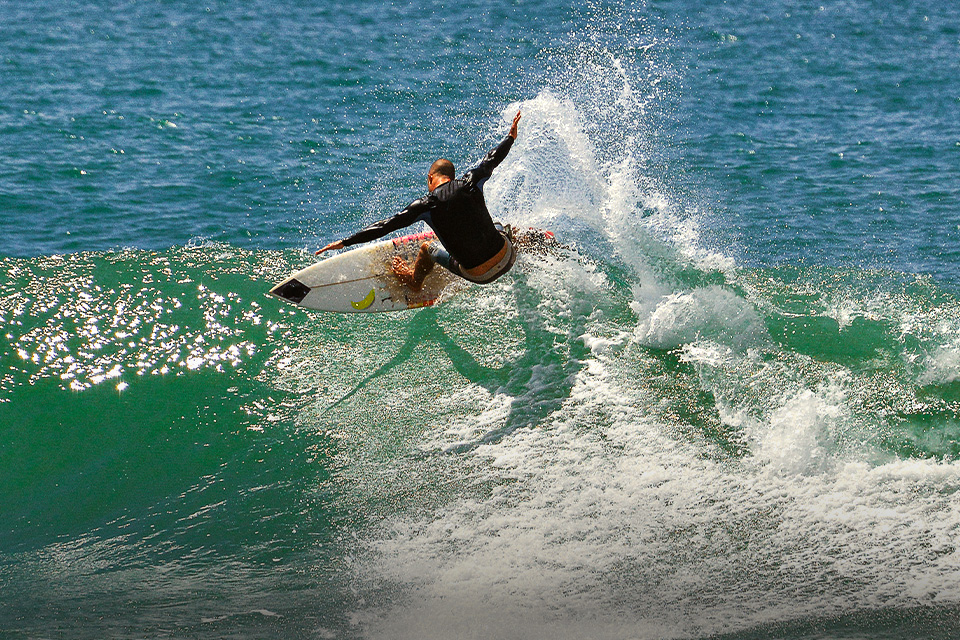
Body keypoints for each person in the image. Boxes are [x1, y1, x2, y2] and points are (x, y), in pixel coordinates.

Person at [316, 110, 522, 292]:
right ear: (451, 175)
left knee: (426, 248)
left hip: (479, 275)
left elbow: (385, 226)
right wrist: (510, 137)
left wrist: (344, 242)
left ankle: (414, 280)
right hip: (507, 258)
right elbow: (492, 158)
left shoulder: (426, 205)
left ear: (431, 178)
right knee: (500, 226)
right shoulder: (471, 181)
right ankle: (525, 243)